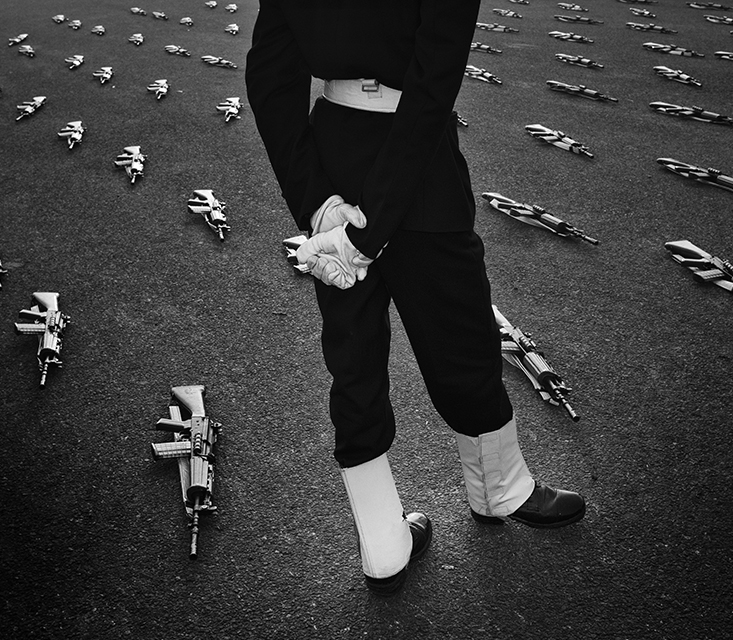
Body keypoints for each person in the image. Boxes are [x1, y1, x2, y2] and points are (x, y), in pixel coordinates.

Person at [246, 1, 585, 596]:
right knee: (461, 339)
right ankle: (500, 488)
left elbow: (270, 76)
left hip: (334, 170)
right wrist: (359, 229)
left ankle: (382, 543)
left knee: (355, 360)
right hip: (420, 169)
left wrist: (322, 203)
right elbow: (433, 80)